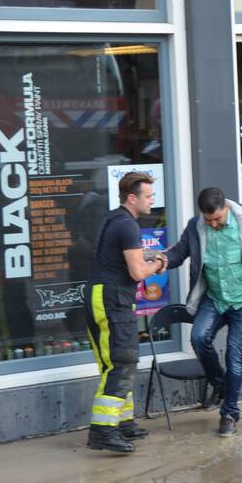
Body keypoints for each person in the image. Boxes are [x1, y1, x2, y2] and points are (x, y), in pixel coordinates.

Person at [164, 187, 242, 437]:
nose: (214, 224)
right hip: (215, 298)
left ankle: (229, 413)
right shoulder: (196, 227)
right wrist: (159, 260)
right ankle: (219, 383)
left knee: (234, 357)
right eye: (209, 220)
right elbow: (178, 253)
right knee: (198, 337)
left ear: (225, 207)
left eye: (217, 218)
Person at [85, 172, 167, 453]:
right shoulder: (128, 226)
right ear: (132, 198)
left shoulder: (114, 218)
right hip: (112, 301)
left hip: (104, 297)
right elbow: (137, 272)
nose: (152, 201)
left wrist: (149, 256)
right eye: (148, 196)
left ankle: (123, 423)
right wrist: (159, 264)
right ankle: (103, 432)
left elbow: (122, 257)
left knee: (122, 361)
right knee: (120, 363)